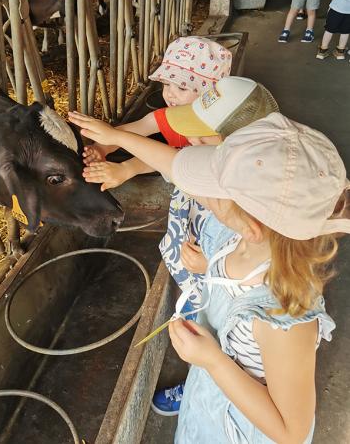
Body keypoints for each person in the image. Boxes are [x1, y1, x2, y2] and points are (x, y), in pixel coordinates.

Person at [70, 110, 348, 443]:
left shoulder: (285, 314)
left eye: (213, 191)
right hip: (208, 402)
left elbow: (291, 430)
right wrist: (117, 137)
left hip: (239, 428)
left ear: (252, 227)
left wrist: (213, 361)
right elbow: (176, 167)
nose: (201, 193)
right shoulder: (236, 237)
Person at [70, 76, 279, 416]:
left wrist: (210, 269)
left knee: (217, 342)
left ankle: (214, 386)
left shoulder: (245, 201)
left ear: (233, 145)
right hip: (203, 273)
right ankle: (202, 380)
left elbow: (251, 268)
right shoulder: (223, 159)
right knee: (203, 336)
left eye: (199, 132)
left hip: (225, 300)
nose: (188, 139)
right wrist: (120, 155)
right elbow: (174, 158)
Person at [83, 36, 232, 191]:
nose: (169, 94)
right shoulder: (171, 116)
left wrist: (126, 168)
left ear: (210, 93)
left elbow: (176, 159)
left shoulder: (222, 126)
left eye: (182, 88)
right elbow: (133, 131)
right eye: (166, 84)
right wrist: (102, 148)